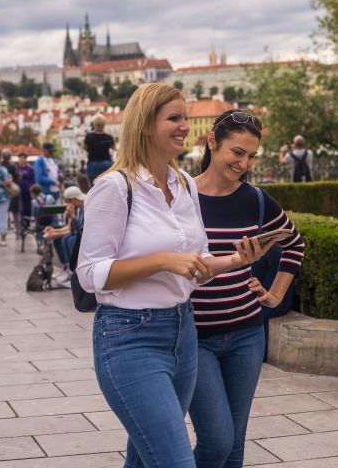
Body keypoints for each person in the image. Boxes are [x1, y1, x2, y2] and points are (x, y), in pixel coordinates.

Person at [76, 83, 267, 467]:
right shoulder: (115, 187)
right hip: (129, 337)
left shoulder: (183, 186)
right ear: (146, 124)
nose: (185, 126)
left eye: (185, 117)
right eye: (174, 118)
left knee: (146, 459)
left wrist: (236, 260)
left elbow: (195, 265)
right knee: (176, 461)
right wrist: (162, 260)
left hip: (183, 332)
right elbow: (89, 274)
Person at [190, 109, 305, 467]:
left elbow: (295, 243)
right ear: (212, 142)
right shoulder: (181, 196)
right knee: (217, 440)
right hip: (195, 337)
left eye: (252, 156)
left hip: (246, 335)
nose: (244, 163)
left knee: (235, 442)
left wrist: (275, 294)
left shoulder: (256, 200)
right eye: (237, 152)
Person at [42, 185, 86, 286]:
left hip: (84, 236)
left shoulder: (84, 206)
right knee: (65, 239)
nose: (66, 204)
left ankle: (73, 272)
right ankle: (67, 269)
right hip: (78, 233)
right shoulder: (77, 207)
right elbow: (70, 227)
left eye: (67, 201)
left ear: (72, 200)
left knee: (70, 239)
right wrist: (54, 231)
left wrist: (72, 217)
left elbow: (81, 228)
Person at [83, 115, 115, 184]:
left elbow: (85, 148)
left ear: (94, 124)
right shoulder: (108, 137)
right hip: (106, 163)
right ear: (104, 124)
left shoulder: (89, 137)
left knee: (94, 188)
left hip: (93, 163)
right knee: (107, 185)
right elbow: (113, 147)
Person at [16, 152, 36, 234]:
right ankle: (21, 224)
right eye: (20, 158)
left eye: (22, 158)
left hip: (27, 190)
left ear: (25, 159)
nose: (21, 159)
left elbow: (33, 179)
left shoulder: (30, 168)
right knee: (20, 208)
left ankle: (27, 224)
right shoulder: (16, 168)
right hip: (19, 191)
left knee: (27, 207)